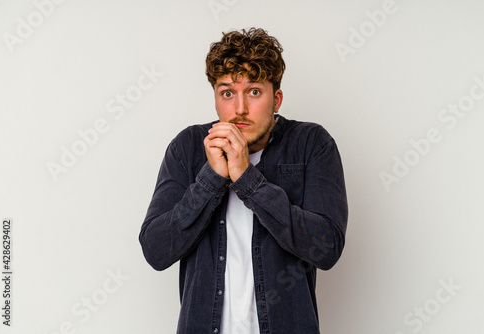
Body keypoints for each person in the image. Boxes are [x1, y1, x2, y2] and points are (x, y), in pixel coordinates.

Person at [139, 27, 348, 334]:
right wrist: (212, 178)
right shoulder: (187, 147)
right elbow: (156, 250)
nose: (239, 109)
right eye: (227, 93)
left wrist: (247, 179)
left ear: (276, 99)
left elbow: (326, 247)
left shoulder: (312, 143)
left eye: (253, 92)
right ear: (215, 100)